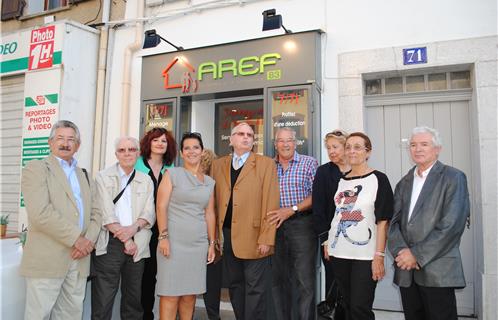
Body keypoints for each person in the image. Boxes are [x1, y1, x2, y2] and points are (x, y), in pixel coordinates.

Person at [20, 120, 102, 320]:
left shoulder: (84, 175)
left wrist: (88, 242)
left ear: (78, 145)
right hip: (47, 258)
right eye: (60, 138)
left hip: (79, 258)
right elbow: (40, 213)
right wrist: (77, 239)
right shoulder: (36, 168)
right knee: (38, 315)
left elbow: (97, 213)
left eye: (71, 139)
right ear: (50, 142)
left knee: (71, 314)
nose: (65, 143)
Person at [388, 126, 470, 320]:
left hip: (437, 270)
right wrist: (402, 254)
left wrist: (415, 254)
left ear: (437, 149)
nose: (418, 149)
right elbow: (394, 223)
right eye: (413, 145)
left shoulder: (453, 177)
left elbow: (452, 225)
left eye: (424, 144)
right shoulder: (404, 182)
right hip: (407, 271)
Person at [211, 122, 280, 320]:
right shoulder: (218, 165)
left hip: (255, 236)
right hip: (226, 236)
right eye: (240, 134)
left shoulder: (266, 164)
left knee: (255, 289)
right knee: (235, 285)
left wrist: (267, 237)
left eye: (250, 134)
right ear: (231, 139)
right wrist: (214, 236)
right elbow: (214, 203)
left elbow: (271, 201)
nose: (246, 137)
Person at [324, 132, 393, 320]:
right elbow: (336, 216)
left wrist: (379, 256)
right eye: (348, 147)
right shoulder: (342, 180)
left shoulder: (378, 179)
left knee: (360, 308)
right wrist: (329, 242)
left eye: (357, 147)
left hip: (365, 256)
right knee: (346, 305)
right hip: (339, 253)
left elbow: (383, 221)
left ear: (368, 152)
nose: (351, 151)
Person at [91, 136, 155, 320]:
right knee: (103, 299)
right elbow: (105, 211)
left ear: (138, 153)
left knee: (133, 299)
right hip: (110, 244)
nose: (127, 153)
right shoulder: (103, 177)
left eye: (131, 149)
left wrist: (133, 231)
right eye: (122, 150)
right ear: (116, 154)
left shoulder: (146, 180)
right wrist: (126, 239)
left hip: (138, 244)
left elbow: (149, 212)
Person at [155, 132, 216, 320]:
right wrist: (163, 237)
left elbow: (209, 213)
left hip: (197, 245)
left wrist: (212, 243)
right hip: (172, 243)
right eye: (187, 148)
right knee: (170, 294)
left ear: (202, 151)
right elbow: (161, 206)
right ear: (181, 153)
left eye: (195, 147)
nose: (191, 151)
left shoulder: (209, 182)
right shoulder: (171, 174)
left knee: (190, 296)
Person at [268, 127, 318, 320]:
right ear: (275, 144)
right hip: (275, 226)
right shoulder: (268, 166)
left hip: (302, 225)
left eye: (289, 140)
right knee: (278, 280)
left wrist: (292, 209)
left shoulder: (309, 163)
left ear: (296, 143)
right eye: (281, 141)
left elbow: (316, 195)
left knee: (304, 281)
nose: (285, 144)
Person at [135, 127, 177, 320]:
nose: (160, 144)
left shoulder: (173, 169)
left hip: (165, 230)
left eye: (164, 141)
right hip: (141, 229)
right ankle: (145, 316)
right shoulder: (137, 165)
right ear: (148, 143)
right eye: (156, 140)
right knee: (145, 278)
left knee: (165, 277)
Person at [313, 129, 349, 298]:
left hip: (357, 238)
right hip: (331, 240)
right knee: (334, 287)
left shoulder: (358, 171)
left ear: (345, 147)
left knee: (356, 288)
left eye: (335, 147)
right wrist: (325, 239)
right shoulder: (323, 172)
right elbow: (318, 209)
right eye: (328, 148)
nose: (331, 151)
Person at [200, 149, 223, 320]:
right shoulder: (217, 183)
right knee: (212, 282)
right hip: (212, 236)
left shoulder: (205, 183)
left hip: (199, 236)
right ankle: (214, 316)